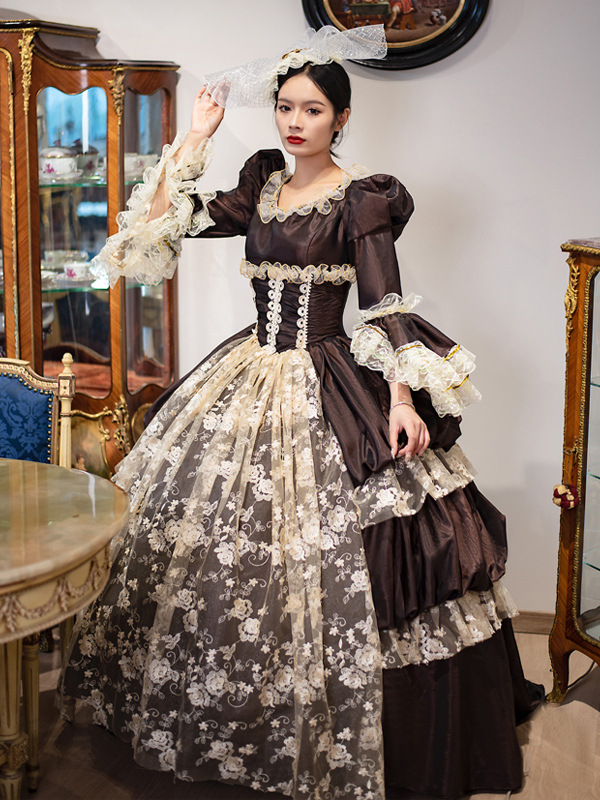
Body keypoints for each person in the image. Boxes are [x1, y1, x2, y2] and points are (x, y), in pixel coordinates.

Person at [59, 25, 543, 800]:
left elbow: (383, 305)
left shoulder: (361, 200)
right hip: (248, 366)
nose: (294, 121)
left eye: (312, 110)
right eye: (286, 106)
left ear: (340, 118)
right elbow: (165, 224)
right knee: (211, 542)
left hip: (326, 374)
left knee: (337, 548)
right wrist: (197, 134)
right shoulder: (259, 184)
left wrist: (401, 398)